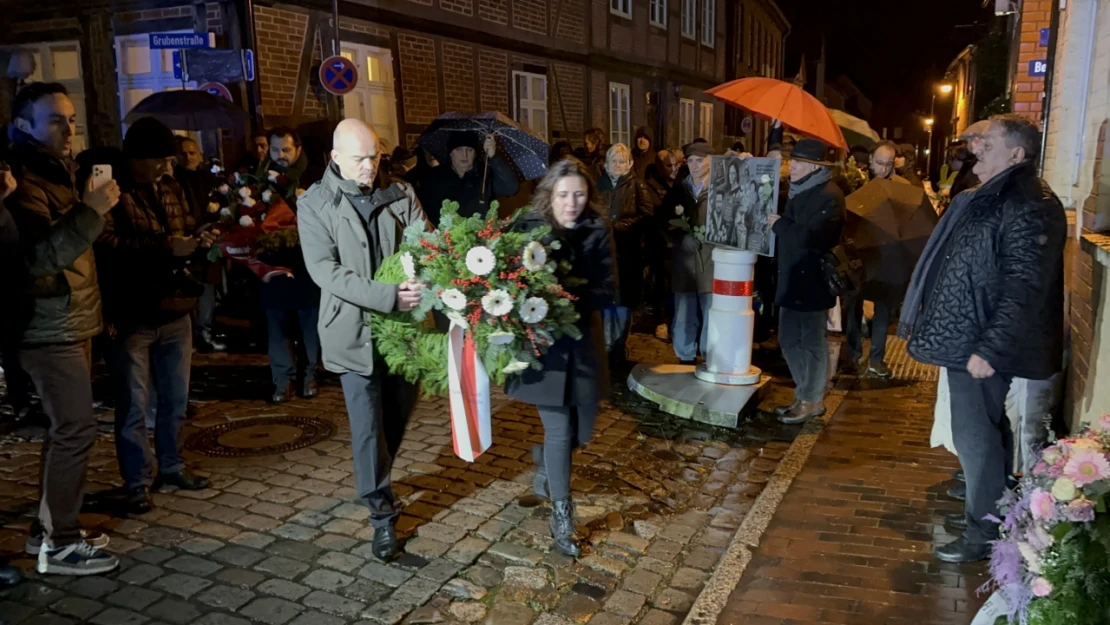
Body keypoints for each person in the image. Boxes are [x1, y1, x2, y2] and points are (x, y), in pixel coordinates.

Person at [899, 114, 1066, 563]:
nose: (975, 147)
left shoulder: (1029, 202)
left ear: (1017, 153)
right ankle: (995, 512)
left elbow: (1024, 284)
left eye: (986, 142)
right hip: (969, 334)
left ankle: (983, 535)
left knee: (975, 437)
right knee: (988, 431)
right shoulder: (995, 194)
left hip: (981, 341)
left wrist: (989, 348)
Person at [298, 119, 428, 560]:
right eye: (360, 159)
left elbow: (425, 243)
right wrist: (388, 296)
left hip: (404, 333)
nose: (370, 166)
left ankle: (377, 479)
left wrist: (426, 277)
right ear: (335, 158)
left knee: (396, 415)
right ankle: (381, 517)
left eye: (375, 156)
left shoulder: (401, 193)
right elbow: (326, 272)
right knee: (368, 430)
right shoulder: (315, 204)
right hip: (351, 331)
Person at [5, 82, 119, 575]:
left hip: (71, 319)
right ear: (25, 125)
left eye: (71, 118)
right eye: (55, 119)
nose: (69, 128)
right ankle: (63, 543)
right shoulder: (25, 182)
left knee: (64, 428)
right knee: (75, 428)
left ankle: (48, 529)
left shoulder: (56, 173)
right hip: (47, 327)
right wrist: (89, 212)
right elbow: (37, 258)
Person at [95, 117, 214, 516]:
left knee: (175, 399)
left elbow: (184, 226)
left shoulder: (171, 186)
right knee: (132, 404)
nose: (168, 166)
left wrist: (198, 240)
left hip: (175, 308)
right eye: (161, 160)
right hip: (133, 312)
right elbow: (106, 243)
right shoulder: (111, 190)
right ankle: (137, 482)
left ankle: (172, 467)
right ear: (137, 159)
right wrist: (166, 246)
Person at [507, 157, 616, 558]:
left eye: (580, 195)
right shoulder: (529, 229)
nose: (571, 203)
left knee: (581, 433)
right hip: (545, 347)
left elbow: (608, 288)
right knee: (559, 430)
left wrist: (567, 295)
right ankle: (563, 516)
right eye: (564, 195)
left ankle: (546, 463)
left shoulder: (596, 228)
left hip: (583, 341)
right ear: (549, 195)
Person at [768, 138, 844, 425]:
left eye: (797, 162)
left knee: (811, 341)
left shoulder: (830, 196)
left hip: (813, 279)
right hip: (792, 278)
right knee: (788, 339)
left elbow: (813, 238)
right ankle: (805, 393)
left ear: (814, 166)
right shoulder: (799, 191)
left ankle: (811, 400)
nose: (791, 167)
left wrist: (779, 224)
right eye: (791, 161)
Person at [659, 140, 715, 364]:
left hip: (711, 259)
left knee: (711, 310)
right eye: (690, 161)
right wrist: (676, 240)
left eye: (699, 160)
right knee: (684, 311)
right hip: (685, 259)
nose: (695, 165)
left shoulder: (720, 190)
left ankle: (711, 353)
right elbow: (662, 219)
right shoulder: (679, 190)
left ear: (710, 161)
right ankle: (685, 354)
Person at [596, 144, 651, 366]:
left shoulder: (637, 185)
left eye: (621, 161)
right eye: (613, 160)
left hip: (627, 252)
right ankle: (605, 346)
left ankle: (618, 346)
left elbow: (646, 215)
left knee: (622, 301)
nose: (617, 165)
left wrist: (622, 225)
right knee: (605, 299)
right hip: (604, 251)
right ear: (606, 163)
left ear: (629, 164)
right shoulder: (598, 184)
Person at [173, 136, 225, 353]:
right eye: (183, 153)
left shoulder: (209, 180)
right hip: (185, 239)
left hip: (209, 239)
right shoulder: (173, 180)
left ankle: (205, 330)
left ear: (200, 154)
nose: (188, 157)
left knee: (207, 288)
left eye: (192, 153)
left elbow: (222, 206)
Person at [417, 131, 519, 223]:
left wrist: (494, 157)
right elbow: (424, 212)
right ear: (451, 153)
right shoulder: (434, 177)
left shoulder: (484, 174)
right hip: (445, 237)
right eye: (459, 149)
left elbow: (511, 188)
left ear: (475, 154)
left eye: (469, 150)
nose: (464, 155)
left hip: (480, 237)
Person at [643, 149, 679, 340]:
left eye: (676, 165)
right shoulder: (650, 187)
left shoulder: (681, 185)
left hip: (677, 244)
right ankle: (662, 319)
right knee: (662, 285)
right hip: (659, 243)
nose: (673, 169)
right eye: (669, 165)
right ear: (659, 167)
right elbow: (652, 217)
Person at [257, 126, 310, 198]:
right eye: (275, 150)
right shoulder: (264, 169)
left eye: (286, 150)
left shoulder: (313, 177)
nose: (280, 155)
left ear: (298, 150)